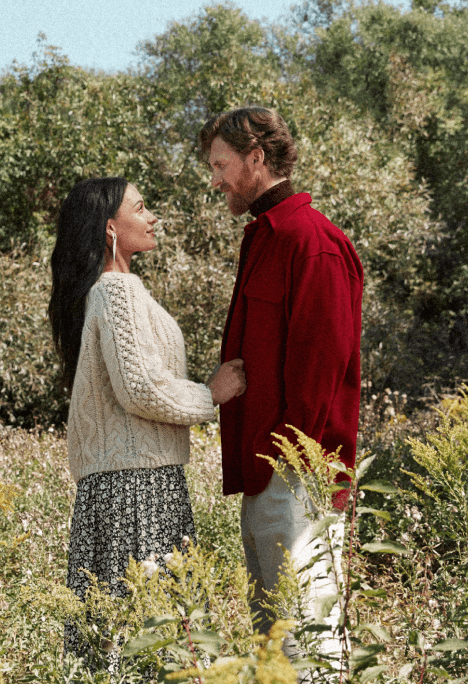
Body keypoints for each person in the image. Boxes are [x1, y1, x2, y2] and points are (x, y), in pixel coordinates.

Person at [48, 177, 246, 666]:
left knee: (124, 637)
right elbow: (140, 387)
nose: (153, 215)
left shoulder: (109, 291)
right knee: (151, 638)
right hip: (138, 488)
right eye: (141, 207)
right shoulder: (117, 291)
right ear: (110, 228)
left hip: (124, 485)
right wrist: (209, 395)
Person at [198, 107, 363, 658]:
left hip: (297, 478)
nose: (215, 178)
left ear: (256, 158)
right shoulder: (266, 237)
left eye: (221, 164)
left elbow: (323, 365)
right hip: (265, 476)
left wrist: (283, 458)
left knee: (309, 648)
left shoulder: (310, 241)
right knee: (276, 648)